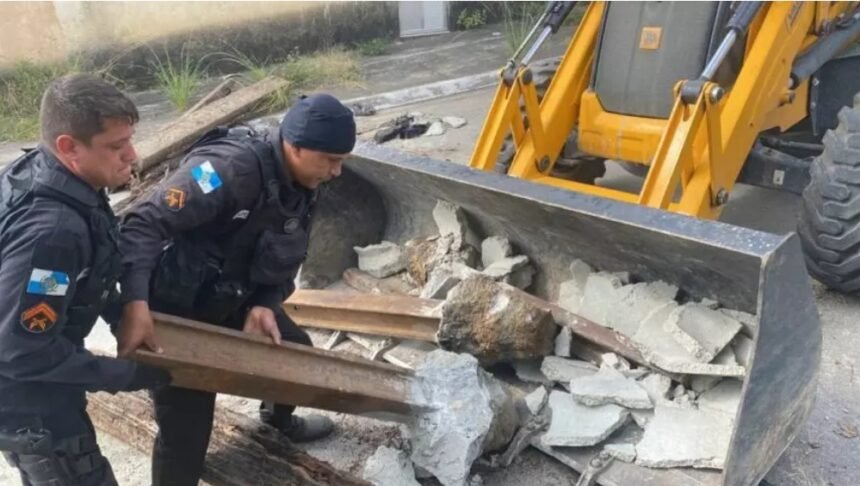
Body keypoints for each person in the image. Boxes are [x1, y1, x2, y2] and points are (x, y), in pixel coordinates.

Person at [116, 93, 356, 486]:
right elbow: (142, 224)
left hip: (235, 296)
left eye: (342, 160)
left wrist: (266, 303)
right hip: (176, 310)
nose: (337, 171)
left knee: (297, 355)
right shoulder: (224, 170)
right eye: (330, 160)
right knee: (186, 434)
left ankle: (278, 420)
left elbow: (288, 253)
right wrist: (135, 305)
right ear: (294, 146)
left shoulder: (302, 183)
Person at [0, 74, 171, 486]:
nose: (132, 155)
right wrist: (123, 376)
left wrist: (122, 310)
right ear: (68, 147)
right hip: (28, 402)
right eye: (115, 146)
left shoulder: (47, 174)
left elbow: (82, 276)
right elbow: (20, 350)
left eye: (130, 140)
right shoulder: (53, 233)